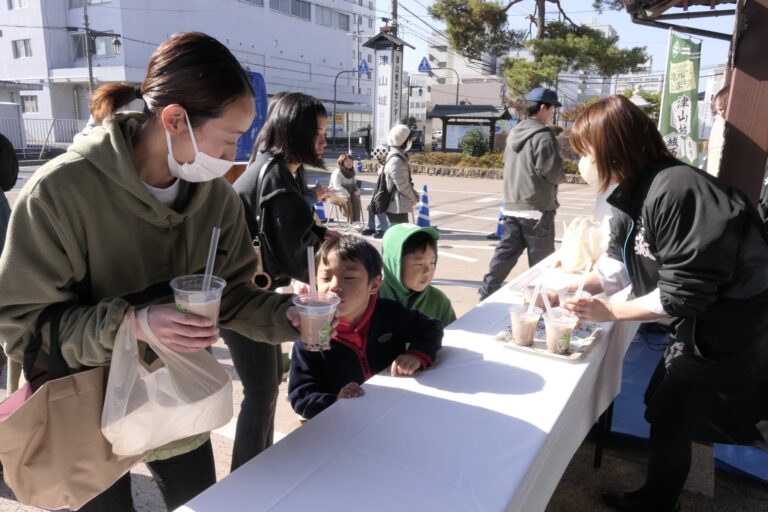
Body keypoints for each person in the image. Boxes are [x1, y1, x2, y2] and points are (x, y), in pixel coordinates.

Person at [0, 32, 303, 511]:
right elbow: (24, 329)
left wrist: (293, 316)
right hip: (82, 408)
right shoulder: (60, 194)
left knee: (200, 500)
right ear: (175, 119)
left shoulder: (216, 200)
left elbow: (235, 297)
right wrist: (133, 324)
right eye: (228, 139)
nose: (232, 158)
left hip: (173, 397)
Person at [563, 95, 768, 512]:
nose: (582, 163)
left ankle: (657, 502)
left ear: (612, 147)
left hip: (732, 329)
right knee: (666, 411)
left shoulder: (677, 189)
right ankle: (658, 498)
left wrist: (610, 312)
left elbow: (683, 293)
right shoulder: (631, 193)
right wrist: (569, 288)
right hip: (697, 327)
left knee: (678, 413)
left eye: (585, 152)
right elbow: (619, 265)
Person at [221, 91, 340, 471]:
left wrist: (321, 237)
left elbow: (288, 229)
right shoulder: (274, 174)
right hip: (244, 297)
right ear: (294, 131)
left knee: (267, 384)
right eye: (317, 131)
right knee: (260, 390)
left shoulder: (275, 166)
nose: (323, 140)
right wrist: (333, 257)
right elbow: (296, 254)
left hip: (256, 292)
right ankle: (249, 474)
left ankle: (259, 465)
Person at [288, 235, 443, 420]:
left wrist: (416, 355)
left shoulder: (389, 313)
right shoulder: (310, 335)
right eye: (326, 277)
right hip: (347, 428)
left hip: (395, 410)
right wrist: (335, 401)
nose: (335, 286)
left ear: (375, 284)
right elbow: (302, 396)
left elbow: (431, 328)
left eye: (349, 277)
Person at [478, 87, 565, 301]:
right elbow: (552, 172)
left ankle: (486, 292)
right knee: (542, 263)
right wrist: (562, 174)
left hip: (512, 205)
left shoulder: (514, 133)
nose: (552, 112)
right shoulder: (543, 136)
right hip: (537, 208)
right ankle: (540, 304)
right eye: (552, 108)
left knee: (505, 254)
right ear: (543, 107)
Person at [380, 223, 456, 326]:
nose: (428, 270)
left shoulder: (439, 302)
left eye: (432, 262)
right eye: (419, 264)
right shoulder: (370, 300)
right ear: (395, 263)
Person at [383, 124, 419, 225]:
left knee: (399, 233)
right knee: (399, 235)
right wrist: (413, 197)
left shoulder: (398, 156)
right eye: (409, 139)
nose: (410, 141)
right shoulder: (396, 160)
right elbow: (402, 185)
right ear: (403, 141)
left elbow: (404, 181)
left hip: (398, 203)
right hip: (396, 205)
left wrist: (414, 194)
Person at [361, 144, 390, 238]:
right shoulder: (385, 169)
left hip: (390, 194)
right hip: (382, 193)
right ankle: (371, 227)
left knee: (378, 205)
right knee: (371, 206)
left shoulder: (393, 166)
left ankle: (382, 229)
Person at [328, 153, 362, 224]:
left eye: (351, 161)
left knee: (356, 199)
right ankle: (351, 222)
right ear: (342, 162)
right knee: (347, 201)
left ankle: (357, 221)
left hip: (348, 194)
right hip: (335, 195)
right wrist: (348, 195)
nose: (349, 163)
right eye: (347, 161)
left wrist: (357, 191)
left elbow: (355, 185)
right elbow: (337, 187)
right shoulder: (337, 172)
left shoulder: (352, 172)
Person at [705, 85, 729, 177]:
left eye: (722, 109)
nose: (719, 114)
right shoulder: (720, 123)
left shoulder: (723, 125)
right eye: (717, 111)